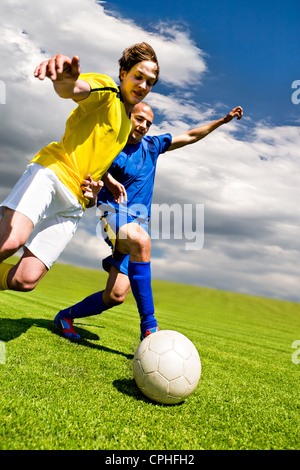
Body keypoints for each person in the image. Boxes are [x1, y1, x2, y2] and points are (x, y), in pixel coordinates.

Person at [55, 102, 243, 340]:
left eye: (148, 123)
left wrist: (222, 121)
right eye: (139, 119)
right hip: (112, 215)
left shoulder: (153, 146)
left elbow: (191, 135)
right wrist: (107, 182)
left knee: (115, 295)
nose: (143, 126)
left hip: (138, 223)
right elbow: (90, 174)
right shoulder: (110, 148)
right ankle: (150, 327)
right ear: (127, 117)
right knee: (142, 242)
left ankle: (65, 316)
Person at [0, 42, 159, 294]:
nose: (142, 86)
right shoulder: (107, 91)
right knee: (10, 241)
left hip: (74, 204)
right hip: (52, 174)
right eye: (137, 77)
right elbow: (74, 88)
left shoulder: (126, 128)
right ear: (123, 74)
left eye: (149, 82)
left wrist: (98, 188)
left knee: (24, 280)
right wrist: (64, 79)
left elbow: (96, 162)